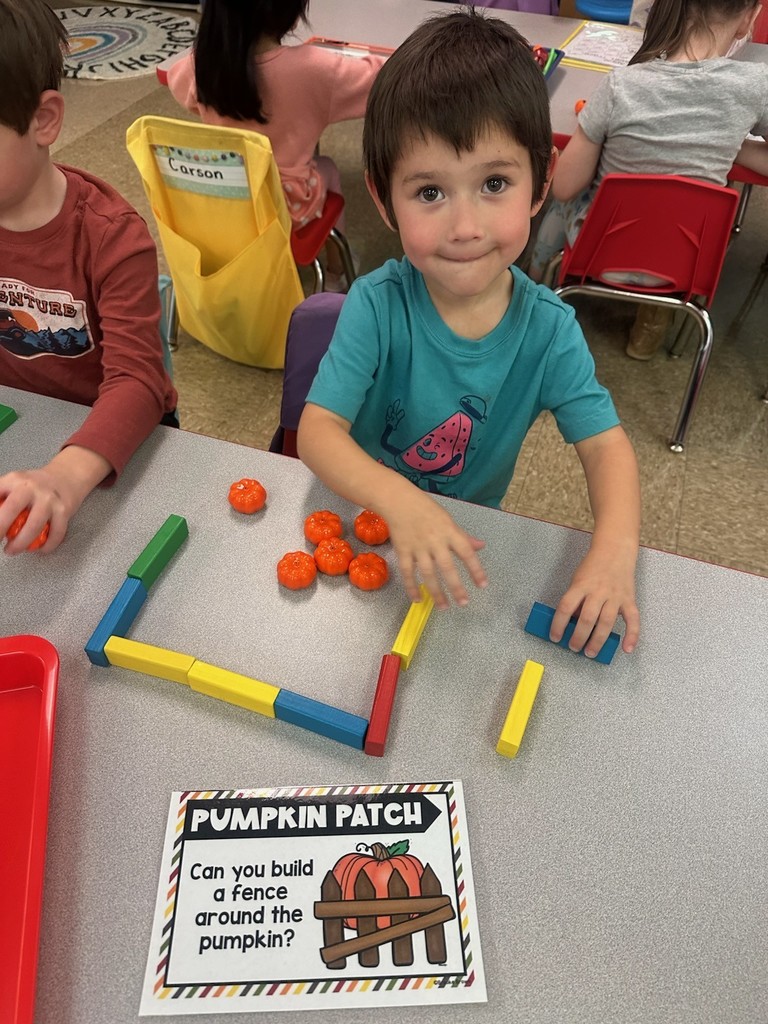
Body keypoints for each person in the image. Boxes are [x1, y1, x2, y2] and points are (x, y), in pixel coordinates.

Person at [297, 10, 641, 659]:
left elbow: (607, 449)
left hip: (464, 542)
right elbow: (318, 432)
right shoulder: (376, 304)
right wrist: (400, 500)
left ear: (540, 183)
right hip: (368, 518)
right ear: (384, 197)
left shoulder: (549, 333)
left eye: (493, 184)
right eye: (429, 192)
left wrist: (616, 551)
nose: (464, 226)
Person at [0, 0, 178, 555]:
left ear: (44, 119)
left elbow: (139, 384)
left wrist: (62, 476)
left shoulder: (110, 237)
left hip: (108, 443)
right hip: (23, 426)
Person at [529, 0, 768, 359]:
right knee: (685, 214)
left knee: (558, 206)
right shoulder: (755, 86)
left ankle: (534, 295)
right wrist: (731, 144)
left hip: (601, 253)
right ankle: (648, 332)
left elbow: (564, 186)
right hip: (688, 266)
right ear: (749, 17)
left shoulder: (620, 85)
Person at [166, 0, 386, 291]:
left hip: (224, 197)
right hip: (284, 208)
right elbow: (381, 78)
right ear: (291, 14)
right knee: (330, 168)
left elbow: (175, 80)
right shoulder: (316, 68)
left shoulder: (202, 63)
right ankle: (336, 274)